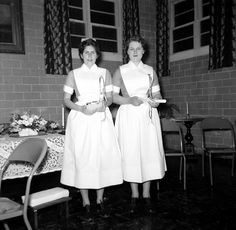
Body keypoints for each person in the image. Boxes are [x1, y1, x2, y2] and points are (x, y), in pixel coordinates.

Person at [60, 38, 123, 221]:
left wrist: (102, 105)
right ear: (81, 55)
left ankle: (100, 198)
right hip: (81, 119)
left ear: (97, 55)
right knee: (83, 157)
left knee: (100, 156)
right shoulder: (73, 74)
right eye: (86, 52)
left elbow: (110, 99)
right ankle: (86, 200)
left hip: (100, 119)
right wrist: (81, 109)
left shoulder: (105, 72)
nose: (89, 55)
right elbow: (66, 100)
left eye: (92, 52)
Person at [112, 35, 167, 214]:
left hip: (147, 116)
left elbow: (157, 96)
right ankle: (134, 194)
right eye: (131, 49)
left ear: (144, 51)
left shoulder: (151, 70)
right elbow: (113, 97)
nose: (135, 52)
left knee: (148, 151)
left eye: (138, 49)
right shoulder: (120, 71)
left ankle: (147, 194)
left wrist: (155, 102)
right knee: (132, 152)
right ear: (127, 51)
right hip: (128, 114)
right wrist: (128, 100)